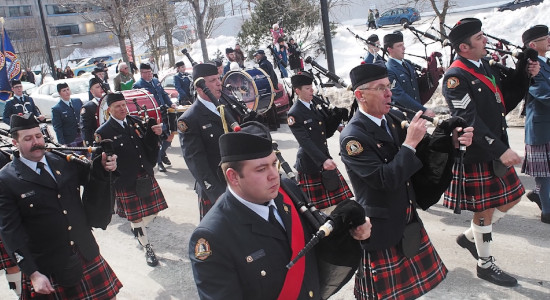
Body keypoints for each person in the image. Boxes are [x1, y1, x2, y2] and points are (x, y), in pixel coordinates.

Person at [189, 120, 372, 299]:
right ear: (234, 177)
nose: (274, 175)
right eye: (261, 169)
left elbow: (316, 233)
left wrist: (353, 230)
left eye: (274, 164)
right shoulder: (213, 236)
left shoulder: (286, 190)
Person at [340, 63, 473, 299]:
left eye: (388, 86)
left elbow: (422, 154)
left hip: (406, 215)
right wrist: (409, 143)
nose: (389, 93)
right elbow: (385, 179)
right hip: (380, 228)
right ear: (360, 95)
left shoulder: (394, 117)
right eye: (380, 88)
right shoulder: (353, 137)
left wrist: (451, 140)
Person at [442, 18, 539, 287]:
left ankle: (471, 237)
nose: (485, 40)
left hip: (493, 146)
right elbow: (468, 119)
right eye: (479, 37)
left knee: (513, 198)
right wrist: (501, 149)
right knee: (483, 210)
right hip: (477, 151)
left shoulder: (482, 66)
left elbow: (503, 101)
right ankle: (485, 264)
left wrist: (524, 75)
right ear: (463, 47)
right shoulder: (455, 77)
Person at [0, 113, 122, 299]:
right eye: (28, 139)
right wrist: (32, 273)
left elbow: (93, 178)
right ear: (15, 143)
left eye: (38, 136)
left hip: (85, 250)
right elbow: (11, 232)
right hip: (48, 266)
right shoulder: (6, 180)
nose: (36, 142)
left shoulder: (62, 161)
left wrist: (105, 166)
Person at [95, 92, 168, 266]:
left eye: (123, 105)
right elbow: (100, 162)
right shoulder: (103, 132)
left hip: (144, 174)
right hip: (125, 181)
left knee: (154, 211)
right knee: (136, 218)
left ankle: (138, 230)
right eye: (117, 106)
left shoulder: (134, 122)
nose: (122, 108)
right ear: (109, 109)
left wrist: (155, 133)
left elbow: (147, 144)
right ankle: (147, 247)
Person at [287, 72, 353, 212]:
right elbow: (305, 141)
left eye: (311, 86)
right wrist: (323, 161)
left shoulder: (316, 102)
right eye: (307, 88)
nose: (312, 90)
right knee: (316, 210)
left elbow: (326, 132)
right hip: (311, 163)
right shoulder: (294, 113)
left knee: (340, 203)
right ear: (297, 91)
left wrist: (336, 119)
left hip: (324, 156)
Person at [178, 63, 229, 219]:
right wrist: (216, 193)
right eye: (213, 80)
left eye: (218, 78)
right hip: (215, 188)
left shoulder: (229, 106)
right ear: (200, 87)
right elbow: (196, 161)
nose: (219, 83)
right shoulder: (189, 119)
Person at [522, 25, 550, 221]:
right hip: (540, 127)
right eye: (545, 38)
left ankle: (539, 194)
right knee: (544, 173)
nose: (549, 40)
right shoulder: (531, 67)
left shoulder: (546, 63)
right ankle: (547, 212)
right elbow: (541, 93)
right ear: (533, 44)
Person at [133, 62, 175, 172]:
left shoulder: (156, 81)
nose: (149, 74)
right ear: (141, 73)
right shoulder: (138, 85)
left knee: (170, 136)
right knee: (157, 140)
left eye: (150, 72)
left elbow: (164, 94)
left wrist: (171, 104)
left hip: (163, 112)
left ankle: (161, 155)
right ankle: (159, 162)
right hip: (151, 115)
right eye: (146, 72)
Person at [384, 31, 436, 118]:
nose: (404, 48)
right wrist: (423, 110)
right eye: (399, 46)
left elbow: (416, 86)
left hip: (417, 113)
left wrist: (434, 74)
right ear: (390, 50)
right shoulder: (389, 69)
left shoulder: (407, 64)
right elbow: (399, 95)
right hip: (404, 116)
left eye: (403, 45)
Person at [254, 49, 280, 131]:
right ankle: (277, 123)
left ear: (260, 55)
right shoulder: (266, 62)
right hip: (271, 85)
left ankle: (273, 125)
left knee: (268, 106)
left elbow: (264, 77)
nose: (255, 57)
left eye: (256, 55)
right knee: (272, 105)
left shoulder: (263, 64)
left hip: (268, 86)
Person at [81, 77, 104, 146]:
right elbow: (86, 129)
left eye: (102, 86)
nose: (101, 88)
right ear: (92, 91)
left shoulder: (110, 102)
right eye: (97, 87)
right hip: (98, 141)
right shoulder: (88, 107)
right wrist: (89, 145)